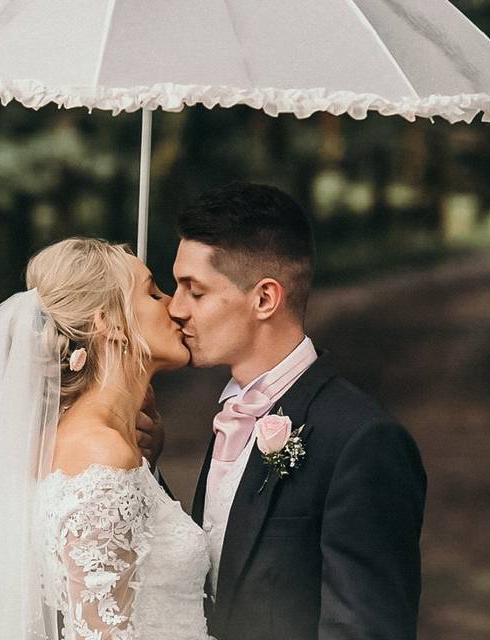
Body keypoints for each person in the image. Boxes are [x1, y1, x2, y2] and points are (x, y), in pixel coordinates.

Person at [165, 182, 427, 640]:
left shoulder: (362, 441)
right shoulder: (231, 414)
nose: (175, 308)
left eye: (196, 291)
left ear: (265, 298)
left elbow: (364, 629)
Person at [0, 238, 213, 640]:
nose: (174, 306)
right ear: (108, 322)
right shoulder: (101, 453)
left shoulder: (85, 441)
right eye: (152, 292)